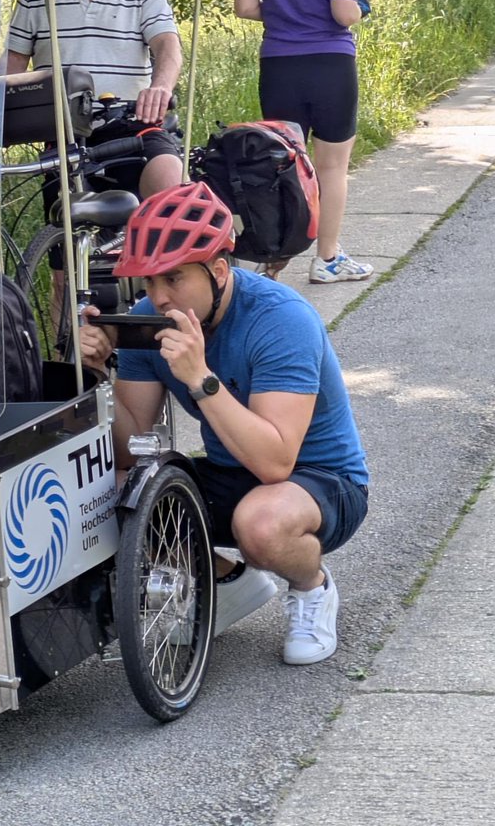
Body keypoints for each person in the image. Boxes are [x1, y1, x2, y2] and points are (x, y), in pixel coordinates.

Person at [80, 182, 370, 663]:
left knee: (261, 524)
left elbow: (276, 463)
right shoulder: (151, 318)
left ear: (217, 271)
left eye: (173, 279)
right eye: (148, 282)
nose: (159, 297)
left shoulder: (282, 320)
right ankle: (226, 582)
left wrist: (200, 378)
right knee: (110, 492)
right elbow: (130, 448)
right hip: (233, 470)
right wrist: (96, 378)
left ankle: (311, 587)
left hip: (321, 479)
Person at [234, 0, 374, 284]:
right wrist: (361, 7)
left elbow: (245, 7)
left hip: (278, 66)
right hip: (330, 65)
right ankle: (327, 259)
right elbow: (343, 13)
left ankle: (272, 261)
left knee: (282, 164)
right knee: (331, 167)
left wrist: (285, 12)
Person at [6, 0, 183, 201]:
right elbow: (13, 63)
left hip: (134, 125)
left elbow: (167, 44)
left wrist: (161, 87)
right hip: (65, 137)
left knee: (169, 188)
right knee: (69, 223)